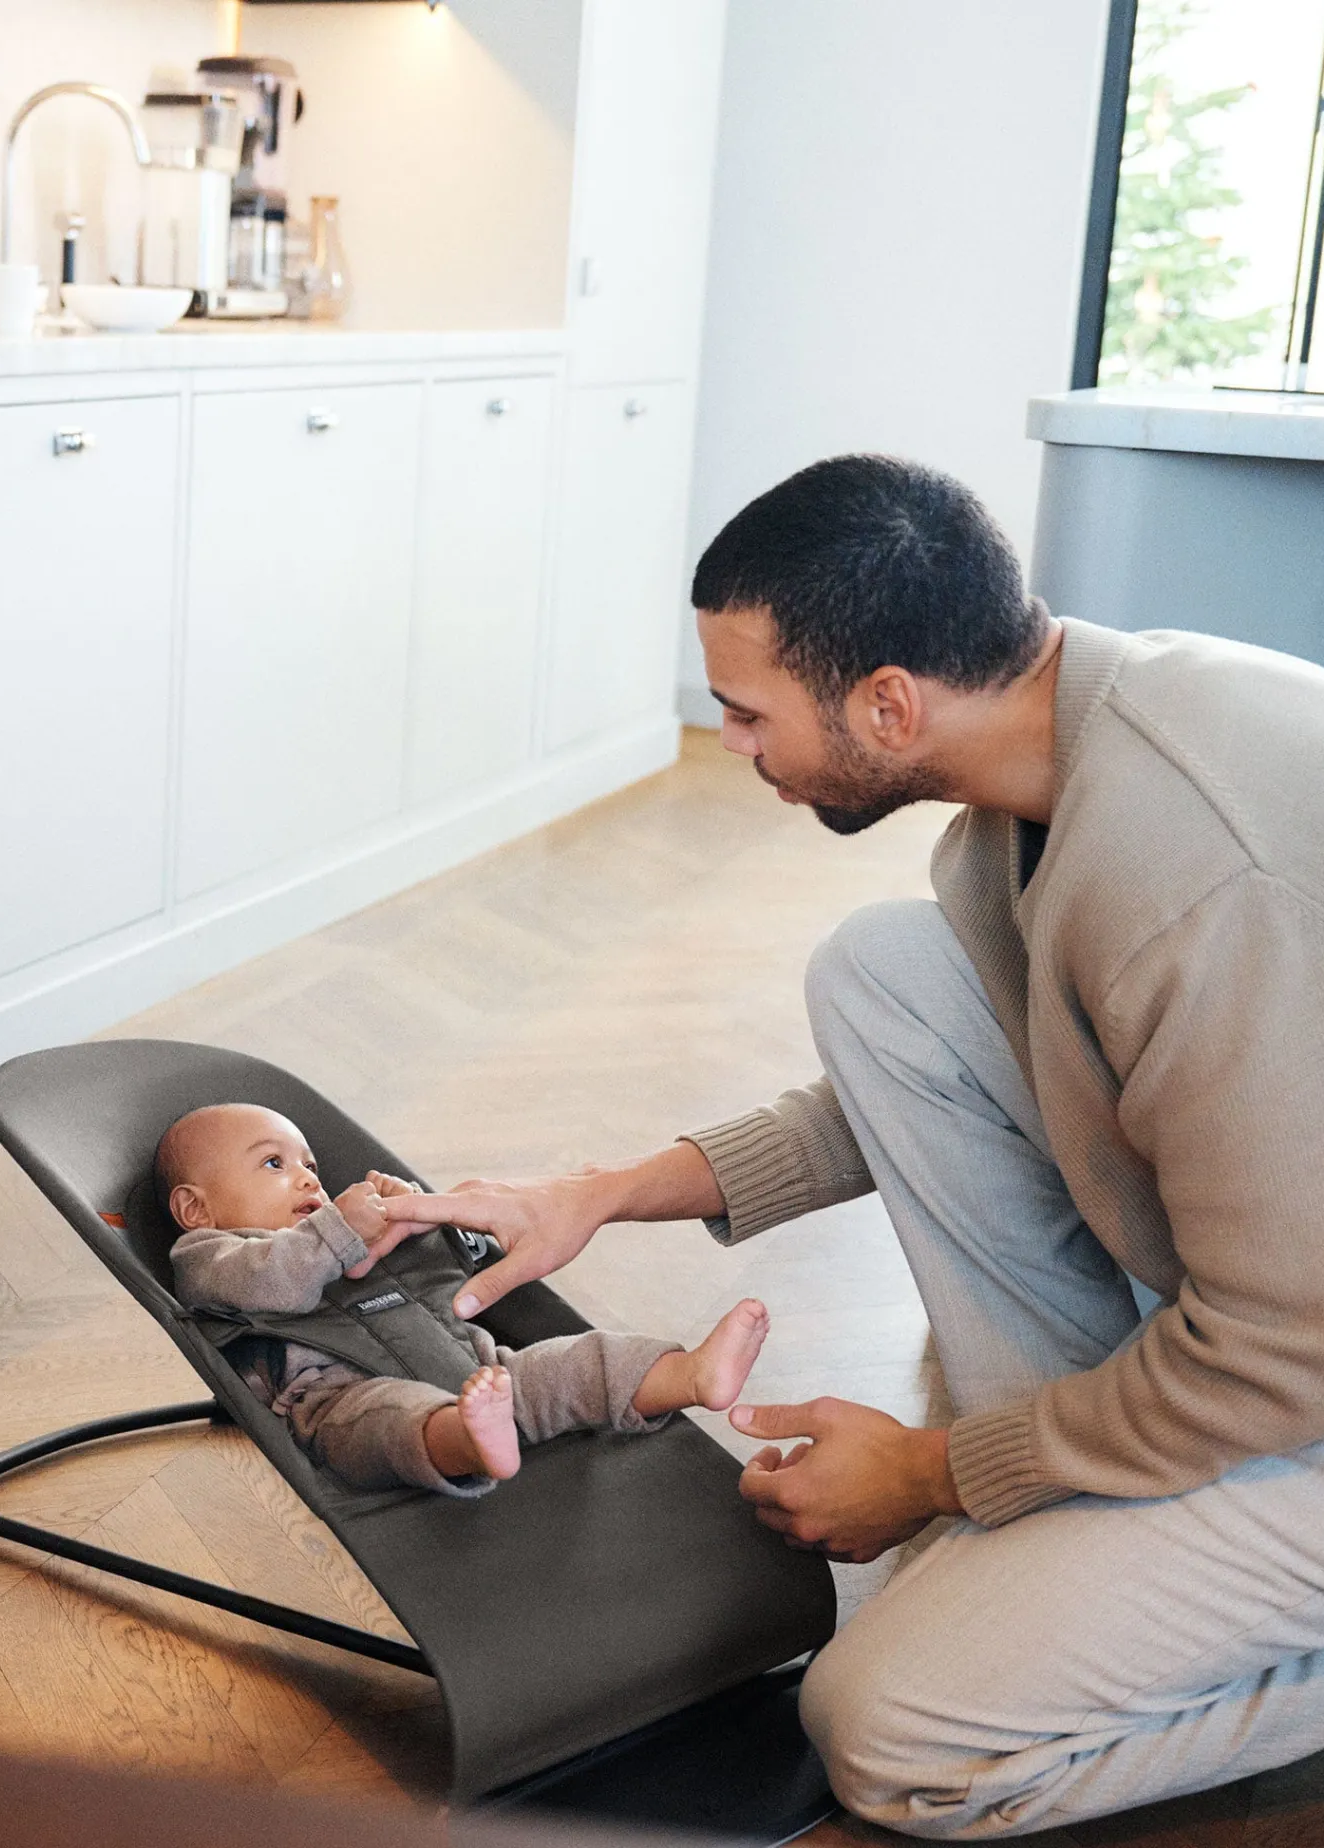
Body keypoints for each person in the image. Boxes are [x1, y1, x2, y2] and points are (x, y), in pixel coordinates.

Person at [376, 453, 1324, 1837]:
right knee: (885, 972)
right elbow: (970, 1071)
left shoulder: (1199, 881)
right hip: (1282, 1318)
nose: (732, 745)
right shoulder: (1068, 754)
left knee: (885, 1732)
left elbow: (1284, 1352)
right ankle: (1066, 1512)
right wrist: (601, 1193)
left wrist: (933, 1473)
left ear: (888, 704)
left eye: (747, 713)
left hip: (1295, 1369)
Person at [157, 1101, 770, 1496]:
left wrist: (415, 1219)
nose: (307, 1176)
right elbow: (275, 1281)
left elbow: (444, 1274)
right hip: (341, 1398)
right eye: (273, 1163)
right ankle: (468, 1440)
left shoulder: (335, 1235)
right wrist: (337, 1230)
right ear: (194, 1208)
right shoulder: (211, 1256)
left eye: (309, 1163)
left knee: (576, 1363)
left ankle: (688, 1376)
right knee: (394, 1422)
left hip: (477, 1368)